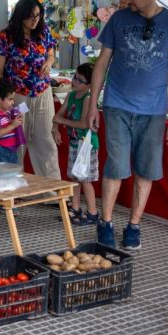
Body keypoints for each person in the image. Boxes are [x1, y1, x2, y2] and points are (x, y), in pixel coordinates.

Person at [87, 0, 168, 250]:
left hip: (154, 111)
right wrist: (92, 104)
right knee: (116, 167)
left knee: (146, 170)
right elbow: (101, 63)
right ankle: (106, 223)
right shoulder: (119, 20)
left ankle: (134, 226)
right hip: (117, 105)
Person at [0, 0, 60, 179]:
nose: (35, 20)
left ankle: (51, 188)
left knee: (46, 140)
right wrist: (3, 101)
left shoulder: (44, 31)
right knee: (17, 139)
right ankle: (13, 185)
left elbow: (51, 53)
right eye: (31, 16)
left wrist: (49, 62)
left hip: (43, 93)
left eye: (38, 15)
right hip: (18, 97)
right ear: (20, 15)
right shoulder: (6, 36)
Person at [53, 63, 99, 226]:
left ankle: (93, 212)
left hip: (86, 145)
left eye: (79, 80)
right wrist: (56, 128)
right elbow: (57, 115)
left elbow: (85, 124)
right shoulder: (71, 96)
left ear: (89, 85)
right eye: (74, 77)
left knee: (85, 179)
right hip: (74, 143)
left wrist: (62, 121)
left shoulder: (87, 99)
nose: (74, 82)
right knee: (74, 177)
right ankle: (75, 207)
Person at [0, 78, 24, 216]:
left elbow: (24, 108)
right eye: (10, 99)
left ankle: (8, 204)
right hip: (0, 150)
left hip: (11, 150)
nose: (13, 102)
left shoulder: (8, 112)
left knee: (11, 178)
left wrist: (20, 114)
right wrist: (13, 125)